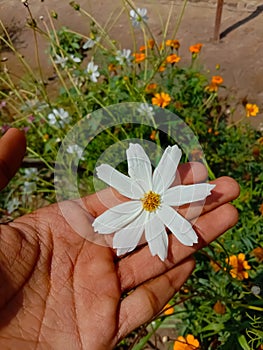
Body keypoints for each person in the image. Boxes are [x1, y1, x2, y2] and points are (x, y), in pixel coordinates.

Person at [0, 128, 239, 349]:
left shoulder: (155, 199)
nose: (150, 200)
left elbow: (173, 195)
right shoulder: (147, 203)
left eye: (150, 200)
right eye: (149, 200)